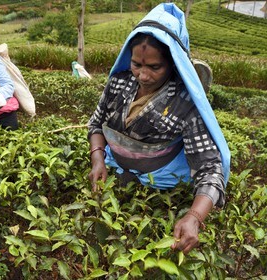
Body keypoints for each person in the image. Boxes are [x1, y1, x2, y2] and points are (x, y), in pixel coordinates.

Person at [87, 3, 230, 254]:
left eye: (154, 67)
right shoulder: (118, 83)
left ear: (173, 64)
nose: (142, 75)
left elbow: (209, 168)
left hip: (161, 192)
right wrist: (98, 159)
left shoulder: (185, 103)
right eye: (136, 65)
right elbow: (97, 123)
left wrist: (194, 216)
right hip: (113, 179)